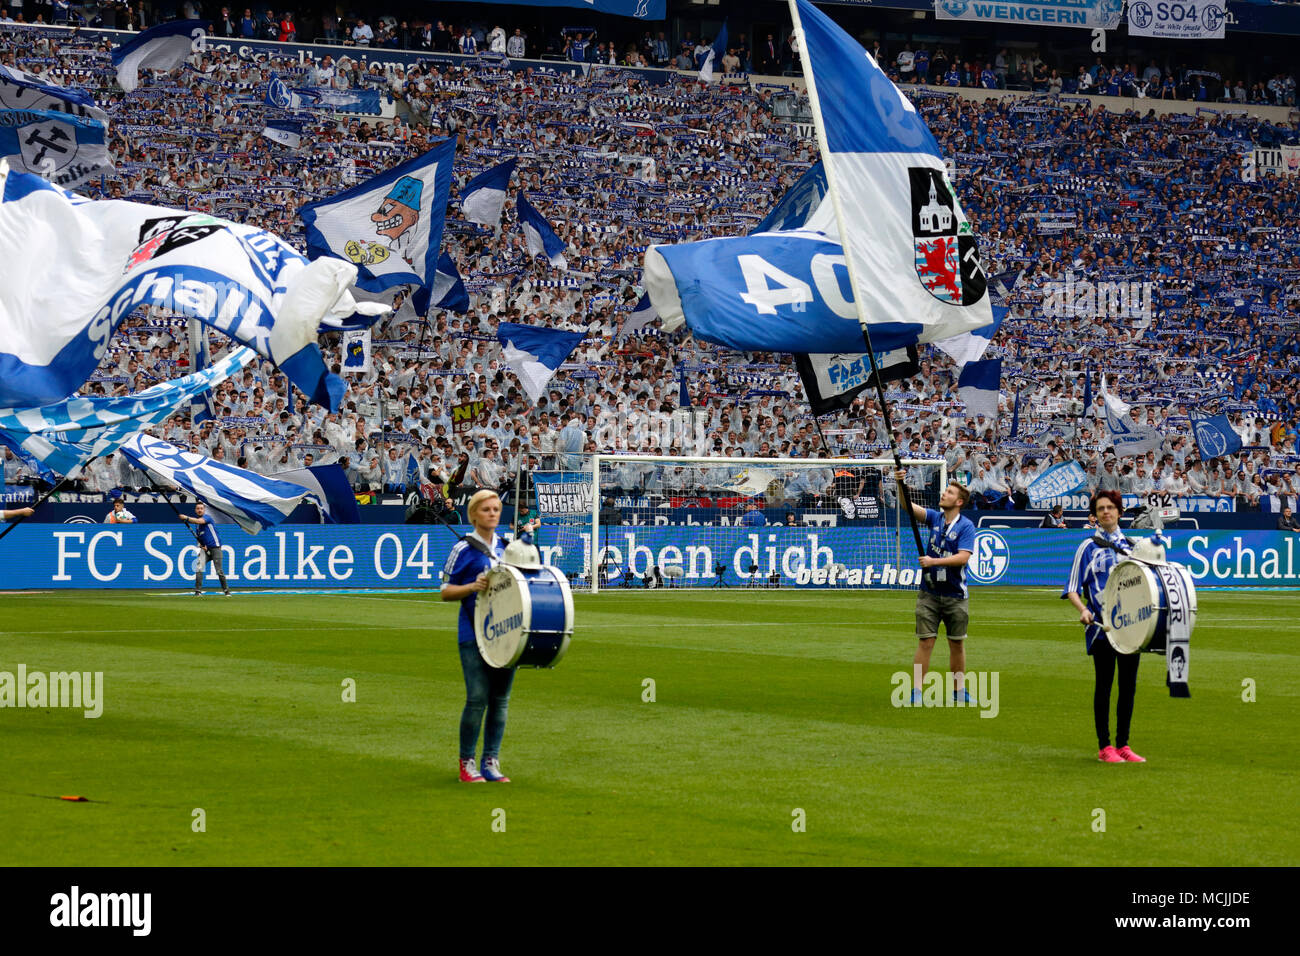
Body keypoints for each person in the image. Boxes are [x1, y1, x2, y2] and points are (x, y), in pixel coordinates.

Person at [440, 490, 538, 783]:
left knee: (501, 700)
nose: (493, 514)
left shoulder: (509, 547)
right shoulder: (463, 549)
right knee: (477, 697)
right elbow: (445, 591)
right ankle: (466, 762)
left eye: (496, 509)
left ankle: (491, 761)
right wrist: (472, 586)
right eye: (486, 510)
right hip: (473, 633)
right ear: (473, 515)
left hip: (507, 633)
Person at [1063, 490, 1144, 763]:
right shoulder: (1087, 547)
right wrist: (1083, 610)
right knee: (1105, 685)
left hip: (1131, 628)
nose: (1106, 512)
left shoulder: (1135, 547)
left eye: (1110, 508)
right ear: (1095, 515)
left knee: (1128, 687)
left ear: (1119, 512)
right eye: (1101, 509)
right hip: (1101, 628)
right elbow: (1072, 588)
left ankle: (1124, 744)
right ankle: (1104, 746)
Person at [896, 469, 975, 704]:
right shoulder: (934, 518)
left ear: (958, 502)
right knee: (926, 641)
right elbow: (908, 507)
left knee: (957, 643)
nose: (944, 494)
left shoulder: (966, 526)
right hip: (929, 592)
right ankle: (917, 691)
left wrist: (933, 561)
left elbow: (963, 557)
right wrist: (900, 484)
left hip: (955, 594)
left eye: (949, 492)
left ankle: (959, 691)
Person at [179, 502, 231, 596]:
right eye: (198, 508)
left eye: (201, 508)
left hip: (215, 548)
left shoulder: (207, 518)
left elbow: (198, 521)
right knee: (199, 567)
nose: (199, 510)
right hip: (206, 550)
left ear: (204, 510)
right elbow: (200, 538)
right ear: (195, 510)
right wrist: (202, 545)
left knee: (219, 571)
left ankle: (226, 591)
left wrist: (186, 518)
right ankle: (197, 591)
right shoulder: (197, 526)